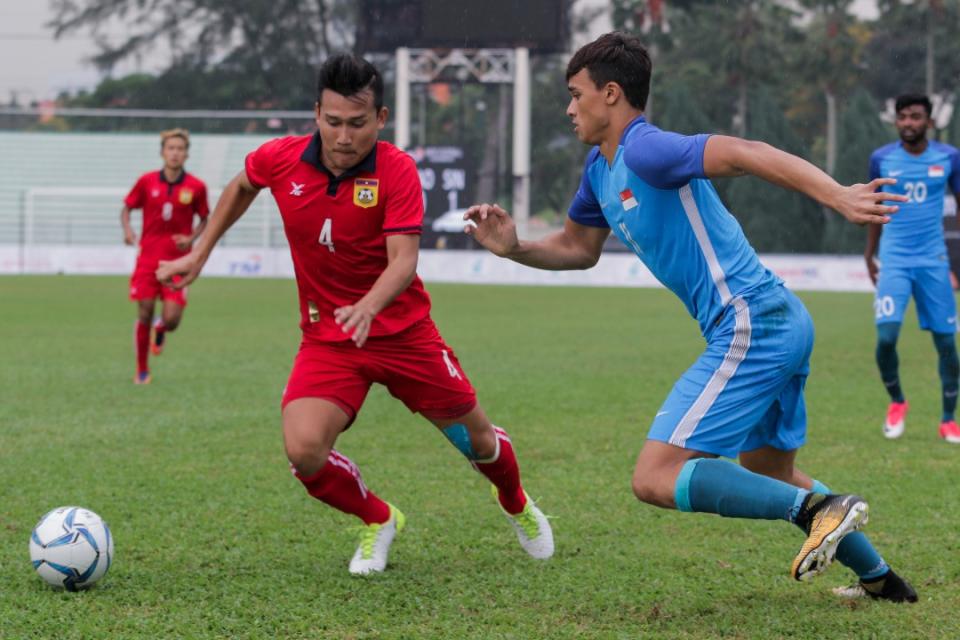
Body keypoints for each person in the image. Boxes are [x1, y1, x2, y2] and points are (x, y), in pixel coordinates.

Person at [465, 31, 916, 602]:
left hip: (751, 321)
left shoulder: (646, 149)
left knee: (654, 477)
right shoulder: (600, 172)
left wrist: (836, 195)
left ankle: (824, 510)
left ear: (611, 94)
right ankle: (883, 582)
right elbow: (579, 249)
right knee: (769, 472)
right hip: (779, 319)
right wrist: (515, 248)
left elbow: (746, 152)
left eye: (576, 94)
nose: (569, 107)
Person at [156, 54, 553, 575]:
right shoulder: (282, 159)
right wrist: (201, 251)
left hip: (404, 335)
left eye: (358, 124)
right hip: (329, 337)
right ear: (317, 113)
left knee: (478, 441)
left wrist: (368, 305)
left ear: (381, 119)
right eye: (334, 121)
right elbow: (243, 185)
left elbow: (404, 261)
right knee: (304, 452)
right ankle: (378, 519)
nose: (344, 137)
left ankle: (515, 502)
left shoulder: (396, 169)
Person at [865, 94, 960, 443]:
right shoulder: (882, 159)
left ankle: (949, 419)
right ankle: (897, 402)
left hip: (933, 261)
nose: (908, 123)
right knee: (886, 338)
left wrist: (956, 262)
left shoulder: (949, 158)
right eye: (902, 117)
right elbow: (875, 208)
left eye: (915, 117)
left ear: (929, 122)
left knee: (947, 343)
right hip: (895, 261)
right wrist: (869, 254)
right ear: (896, 121)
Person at [121, 128, 209, 384]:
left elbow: (205, 218)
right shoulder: (147, 181)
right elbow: (126, 208)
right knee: (145, 311)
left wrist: (191, 238)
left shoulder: (196, 187)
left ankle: (161, 329)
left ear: (186, 155)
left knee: (171, 319)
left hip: (178, 262)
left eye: (180, 149)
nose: (175, 153)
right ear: (162, 152)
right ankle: (142, 370)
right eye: (170, 148)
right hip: (148, 259)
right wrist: (128, 231)